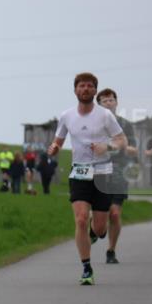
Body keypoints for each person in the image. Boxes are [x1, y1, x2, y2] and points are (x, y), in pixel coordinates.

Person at [47, 73, 127, 285]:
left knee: (100, 228)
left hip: (103, 173)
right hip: (79, 173)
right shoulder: (67, 116)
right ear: (75, 90)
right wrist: (54, 148)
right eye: (81, 86)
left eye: (90, 86)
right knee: (81, 218)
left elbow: (122, 141)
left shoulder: (105, 116)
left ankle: (94, 232)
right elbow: (58, 140)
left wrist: (107, 146)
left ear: (94, 91)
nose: (85, 89)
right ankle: (86, 268)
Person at [94, 89, 138, 263]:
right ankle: (97, 230)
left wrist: (118, 147)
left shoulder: (125, 125)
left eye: (111, 100)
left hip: (118, 170)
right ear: (99, 105)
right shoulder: (92, 124)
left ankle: (111, 251)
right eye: (104, 101)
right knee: (98, 214)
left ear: (116, 103)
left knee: (114, 214)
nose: (109, 103)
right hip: (97, 169)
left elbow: (133, 150)